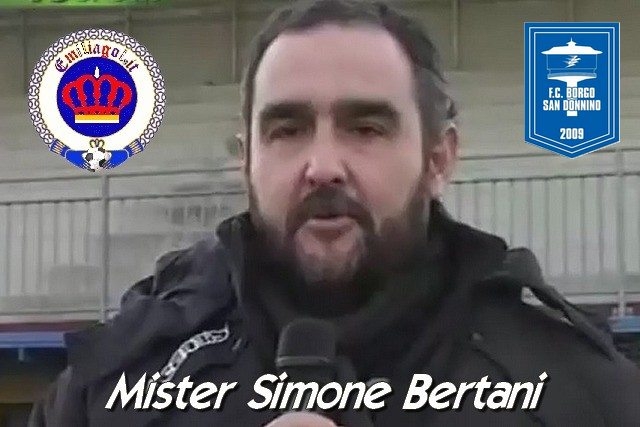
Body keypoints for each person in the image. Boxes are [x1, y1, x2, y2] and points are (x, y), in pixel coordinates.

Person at [30, 0, 640, 426]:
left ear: (438, 159)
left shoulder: (576, 391)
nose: (322, 166)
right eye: (287, 129)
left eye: (366, 128)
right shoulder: (118, 384)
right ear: (247, 161)